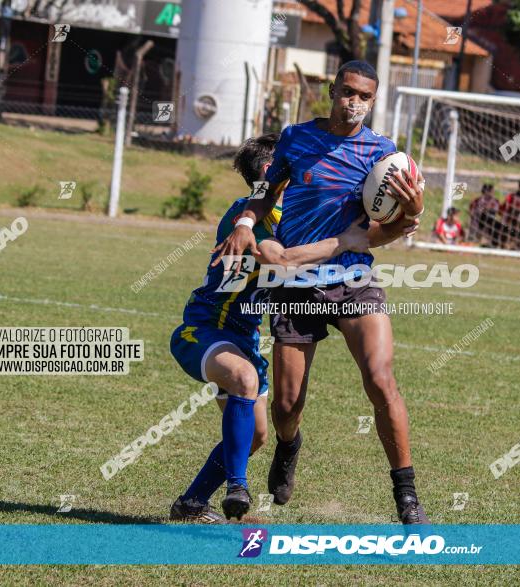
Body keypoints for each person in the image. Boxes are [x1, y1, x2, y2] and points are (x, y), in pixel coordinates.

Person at [211, 60, 430, 524]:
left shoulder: (382, 152)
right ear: (332, 91)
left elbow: (395, 225)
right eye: (347, 92)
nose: (354, 103)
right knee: (287, 405)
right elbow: (265, 191)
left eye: (364, 97)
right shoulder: (295, 138)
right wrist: (248, 221)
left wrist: (412, 209)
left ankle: (407, 496)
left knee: (381, 379)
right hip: (294, 287)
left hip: (353, 281)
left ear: (373, 100)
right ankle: (289, 445)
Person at [168, 133, 372, 523]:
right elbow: (283, 261)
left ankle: (192, 502)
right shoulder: (243, 215)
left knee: (258, 434)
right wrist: (344, 240)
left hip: (244, 337)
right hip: (205, 329)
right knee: (244, 379)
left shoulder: (291, 219)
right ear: (270, 170)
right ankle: (237, 488)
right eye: (294, 162)